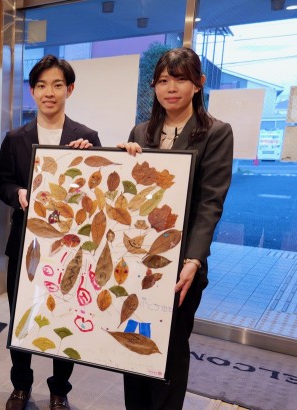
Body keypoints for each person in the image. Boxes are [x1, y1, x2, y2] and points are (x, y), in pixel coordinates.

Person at [118, 47, 233, 410]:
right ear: (154, 86)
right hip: (139, 260)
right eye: (164, 80)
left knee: (169, 348)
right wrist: (122, 161)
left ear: (198, 84)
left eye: (181, 79)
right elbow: (130, 195)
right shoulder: (141, 131)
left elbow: (210, 203)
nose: (171, 88)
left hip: (182, 264)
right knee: (133, 338)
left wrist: (194, 260)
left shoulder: (216, 132)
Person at [0, 55, 100, 410]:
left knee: (65, 314)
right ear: (32, 91)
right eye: (41, 86)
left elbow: (97, 188)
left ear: (70, 89)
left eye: (57, 85)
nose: (49, 93)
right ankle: (21, 385)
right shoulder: (15, 138)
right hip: (25, 243)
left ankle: (59, 389)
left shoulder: (86, 137)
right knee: (21, 316)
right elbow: (3, 182)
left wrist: (88, 161)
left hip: (70, 246)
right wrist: (17, 193)